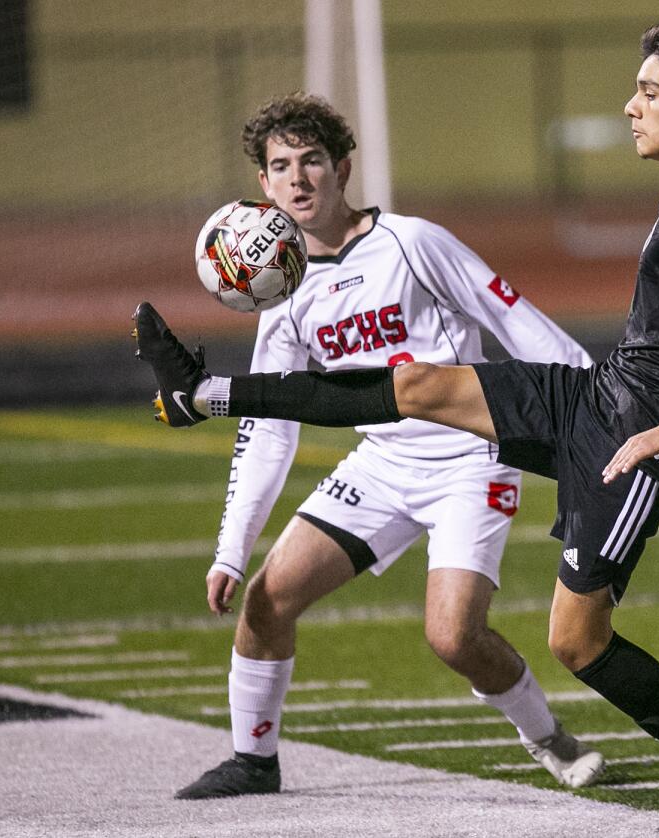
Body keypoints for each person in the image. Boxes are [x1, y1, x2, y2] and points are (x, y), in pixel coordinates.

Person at [137, 19, 659, 832]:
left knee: (576, 642)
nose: (630, 106)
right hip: (603, 400)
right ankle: (206, 394)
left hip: (630, 431)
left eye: (648, 91)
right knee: (415, 386)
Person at [166, 92, 603, 800]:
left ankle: (547, 736)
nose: (299, 179)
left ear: (342, 168)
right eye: (282, 166)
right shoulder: (281, 289)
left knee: (453, 637)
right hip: (380, 465)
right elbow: (270, 425)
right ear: (264, 187)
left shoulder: (412, 242)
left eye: (312, 161)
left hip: (468, 458)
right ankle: (253, 760)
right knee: (268, 600)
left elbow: (511, 316)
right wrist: (229, 549)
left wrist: (593, 403)